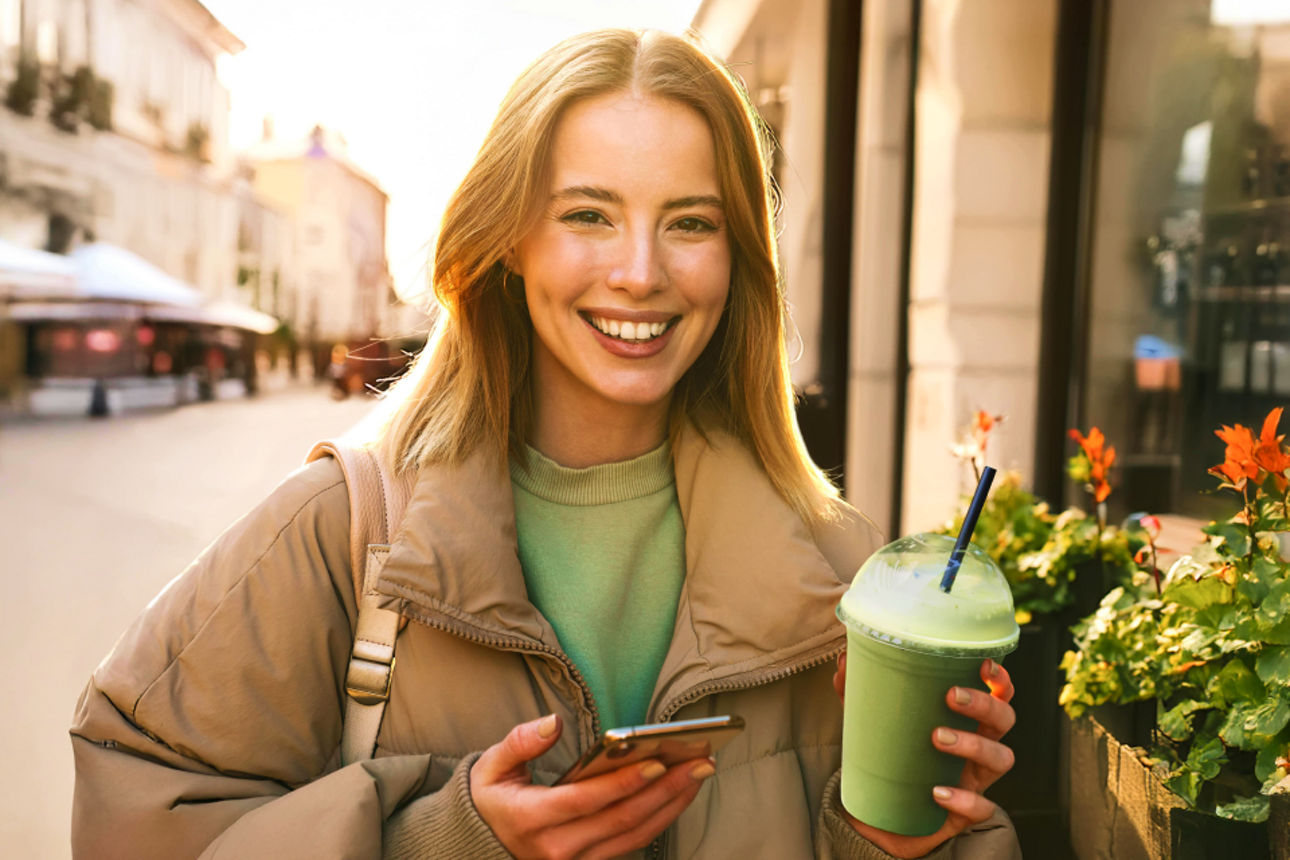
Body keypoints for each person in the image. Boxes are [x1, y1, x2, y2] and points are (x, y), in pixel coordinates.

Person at [71, 28, 1020, 860]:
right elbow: (136, 815)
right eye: (587, 214)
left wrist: (888, 844)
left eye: (691, 223)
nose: (640, 272)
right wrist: (442, 844)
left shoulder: (842, 573)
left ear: (739, 260)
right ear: (509, 240)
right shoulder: (344, 534)